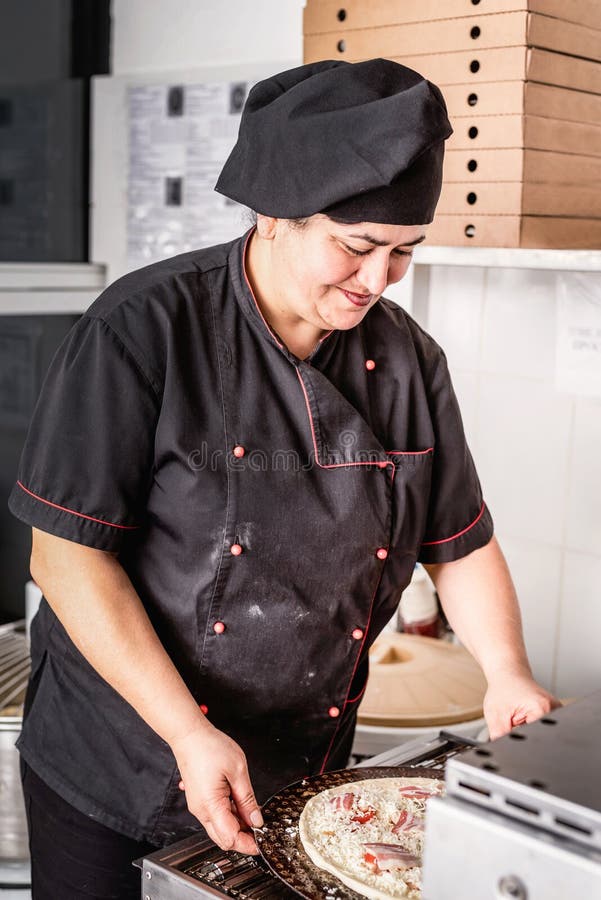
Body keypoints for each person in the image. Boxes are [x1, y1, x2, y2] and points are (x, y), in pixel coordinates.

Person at [9, 58, 558, 899]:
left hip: (300, 766)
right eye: (358, 246)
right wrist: (187, 735)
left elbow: (458, 541)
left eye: (404, 253)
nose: (377, 281)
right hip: (119, 756)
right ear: (272, 215)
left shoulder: (410, 362)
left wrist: (506, 670)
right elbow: (66, 558)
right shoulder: (143, 328)